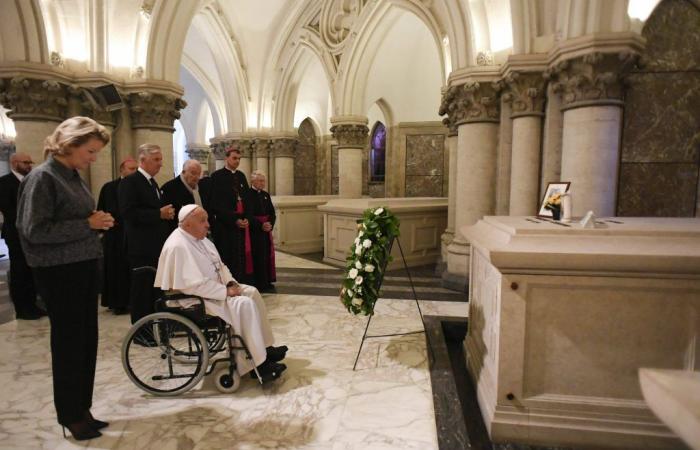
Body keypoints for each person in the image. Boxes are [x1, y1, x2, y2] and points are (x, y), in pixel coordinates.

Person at [16, 116, 115, 441]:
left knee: (86, 342)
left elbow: (78, 217)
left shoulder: (71, 175)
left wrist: (95, 222)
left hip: (82, 266)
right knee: (69, 344)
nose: (93, 159)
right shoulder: (43, 178)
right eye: (90, 151)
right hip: (59, 273)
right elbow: (34, 231)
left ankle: (82, 408)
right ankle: (70, 415)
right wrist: (88, 225)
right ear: (69, 145)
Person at [154, 204, 287, 382]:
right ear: (187, 224)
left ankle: (265, 347)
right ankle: (258, 365)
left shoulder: (201, 239)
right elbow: (191, 285)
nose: (208, 225)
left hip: (213, 291)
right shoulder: (178, 245)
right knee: (243, 303)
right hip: (193, 299)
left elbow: (221, 266)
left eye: (207, 220)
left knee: (252, 292)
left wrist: (231, 282)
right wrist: (225, 292)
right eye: (203, 221)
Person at [118, 144, 174, 325]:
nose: (160, 164)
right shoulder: (131, 182)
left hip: (154, 245)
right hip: (141, 247)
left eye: (161, 159)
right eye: (156, 159)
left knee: (154, 289)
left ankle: (155, 325)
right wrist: (159, 214)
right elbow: (128, 213)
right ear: (143, 160)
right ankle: (142, 330)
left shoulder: (152, 182)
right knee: (142, 290)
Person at [0, 152, 46, 319]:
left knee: (31, 270)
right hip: (16, 232)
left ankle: (33, 305)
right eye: (25, 162)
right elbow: (8, 208)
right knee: (20, 271)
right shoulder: (4, 182)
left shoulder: (32, 180)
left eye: (30, 162)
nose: (29, 165)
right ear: (14, 163)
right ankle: (22, 308)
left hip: (33, 233)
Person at [96, 158, 138, 315]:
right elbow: (102, 209)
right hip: (115, 235)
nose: (134, 171)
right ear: (122, 170)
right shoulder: (109, 188)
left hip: (133, 234)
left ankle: (131, 300)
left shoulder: (137, 187)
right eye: (131, 168)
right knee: (116, 269)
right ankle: (117, 302)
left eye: (136, 169)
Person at [207, 146, 253, 284]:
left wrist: (247, 219)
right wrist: (234, 220)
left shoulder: (241, 176)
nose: (237, 161)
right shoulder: (217, 177)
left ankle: (242, 282)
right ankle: (228, 283)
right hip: (226, 226)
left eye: (239, 159)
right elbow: (216, 204)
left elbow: (247, 200)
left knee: (241, 256)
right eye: (234, 158)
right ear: (226, 158)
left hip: (241, 223)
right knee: (228, 255)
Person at [243, 171, 276, 292]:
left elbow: (272, 213)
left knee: (267, 255)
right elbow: (248, 214)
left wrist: (270, 224)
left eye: (264, 181)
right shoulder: (247, 194)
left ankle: (267, 280)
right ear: (253, 181)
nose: (263, 183)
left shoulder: (266, 195)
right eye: (260, 181)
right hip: (254, 231)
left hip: (266, 230)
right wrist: (261, 225)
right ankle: (258, 282)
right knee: (257, 256)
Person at [161, 159, 203, 231]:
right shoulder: (169, 188)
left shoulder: (200, 187)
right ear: (183, 172)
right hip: (178, 232)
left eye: (198, 174)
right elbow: (168, 218)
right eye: (193, 173)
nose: (196, 177)